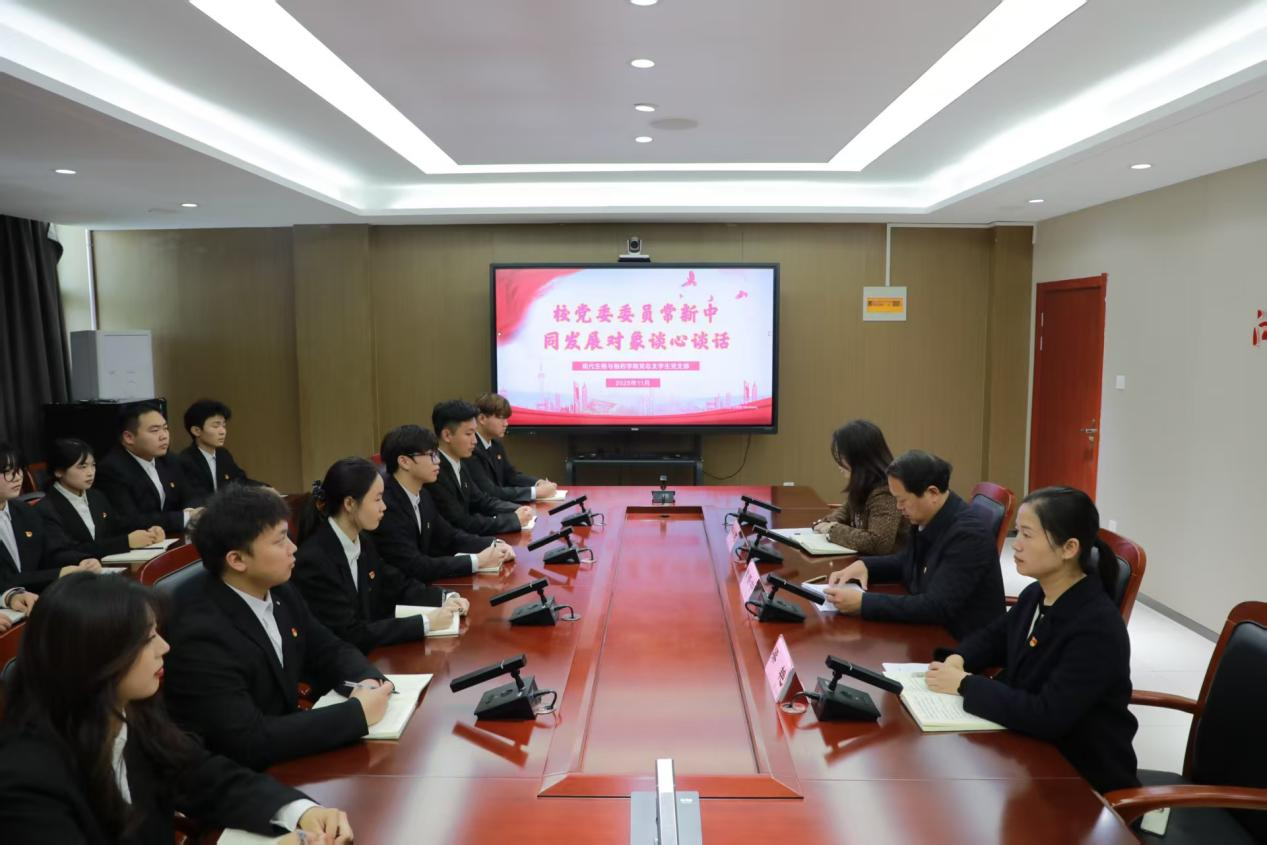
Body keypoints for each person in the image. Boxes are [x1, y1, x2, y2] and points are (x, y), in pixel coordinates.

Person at [0, 572, 354, 844]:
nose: (165, 647)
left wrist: (300, 812)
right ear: (96, 659)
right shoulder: (26, 783)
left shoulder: (130, 714)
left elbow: (206, 778)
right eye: (147, 639)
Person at [924, 487, 1139, 794]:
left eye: (1027, 534)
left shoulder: (1096, 627)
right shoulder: (1038, 593)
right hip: (1030, 752)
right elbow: (995, 637)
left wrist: (965, 684)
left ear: (1069, 548)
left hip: (1080, 779)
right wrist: (959, 658)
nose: (1017, 544)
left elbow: (1047, 715)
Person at [163, 484, 392, 770]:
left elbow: (328, 648)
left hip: (287, 751)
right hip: (238, 775)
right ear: (237, 560)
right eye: (280, 540)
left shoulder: (278, 587)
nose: (293, 548)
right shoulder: (201, 631)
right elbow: (247, 740)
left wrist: (367, 681)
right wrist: (355, 715)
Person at [824, 450, 1003, 640]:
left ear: (932, 493)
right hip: (932, 628)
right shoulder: (928, 514)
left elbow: (936, 606)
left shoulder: (968, 536)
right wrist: (866, 566)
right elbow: (908, 560)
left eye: (902, 500)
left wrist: (863, 603)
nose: (898, 507)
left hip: (960, 641)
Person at [294, 457, 467, 653]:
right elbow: (350, 633)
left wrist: (446, 598)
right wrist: (426, 622)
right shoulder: (314, 561)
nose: (384, 506)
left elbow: (396, 585)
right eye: (377, 499)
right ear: (350, 503)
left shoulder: (363, 541)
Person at [374, 424, 514, 583]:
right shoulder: (387, 505)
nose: (438, 461)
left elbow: (450, 537)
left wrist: (494, 544)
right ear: (404, 462)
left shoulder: (422, 494)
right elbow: (415, 565)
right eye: (431, 455)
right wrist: (477, 561)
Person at [1, 442, 101, 621]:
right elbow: (7, 578)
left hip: (37, 603)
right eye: (7, 472)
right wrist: (59, 573)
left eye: (18, 470)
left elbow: (50, 552)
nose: (17, 477)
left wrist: (82, 561)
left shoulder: (23, 511)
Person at [37, 438, 165, 563]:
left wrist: (149, 533)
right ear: (59, 471)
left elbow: (117, 527)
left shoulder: (96, 496)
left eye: (93, 465)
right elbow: (67, 552)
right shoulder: (47, 507)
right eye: (82, 467)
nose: (90, 473)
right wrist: (126, 542)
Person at [426, 400, 533, 535]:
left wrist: (517, 509)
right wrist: (512, 520)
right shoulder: (434, 472)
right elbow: (462, 522)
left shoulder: (459, 463)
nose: (475, 441)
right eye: (468, 434)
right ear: (447, 435)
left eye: (474, 433)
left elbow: (481, 501)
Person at [95, 402, 201, 534]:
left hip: (173, 536)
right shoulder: (111, 470)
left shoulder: (169, 459)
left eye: (165, 428)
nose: (164, 436)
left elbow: (190, 494)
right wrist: (184, 517)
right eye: (155, 430)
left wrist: (192, 510)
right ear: (129, 437)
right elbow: (129, 521)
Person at [812, 420, 909, 555]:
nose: (839, 464)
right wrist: (826, 523)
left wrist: (832, 529)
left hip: (888, 565)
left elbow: (878, 543)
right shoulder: (863, 486)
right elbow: (844, 512)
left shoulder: (886, 491)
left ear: (860, 457)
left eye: (842, 456)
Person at [468, 392, 558, 503]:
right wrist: (536, 492)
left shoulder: (496, 445)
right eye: (501, 418)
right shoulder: (470, 448)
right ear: (482, 419)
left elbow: (511, 476)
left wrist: (538, 483)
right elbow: (490, 491)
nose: (506, 424)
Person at [177, 398, 263, 506]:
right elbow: (197, 499)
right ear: (196, 431)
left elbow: (240, 481)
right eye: (216, 426)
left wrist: (265, 489)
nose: (223, 431)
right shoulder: (186, 461)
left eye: (224, 425)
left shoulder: (223, 454)